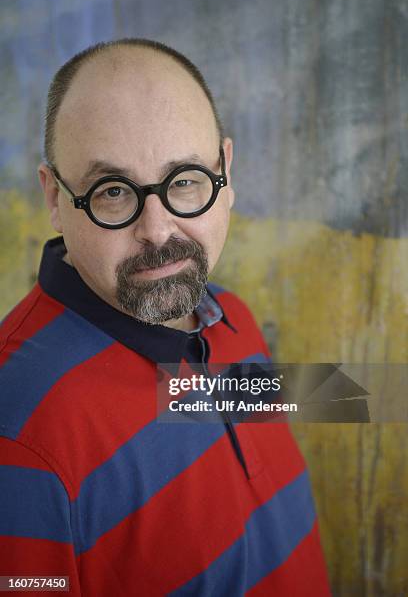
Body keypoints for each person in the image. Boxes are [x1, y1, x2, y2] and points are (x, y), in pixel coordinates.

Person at [0, 38, 331, 596]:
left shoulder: (232, 320)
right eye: (112, 192)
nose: (157, 229)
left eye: (183, 181)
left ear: (225, 172)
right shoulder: (18, 434)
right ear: (55, 197)